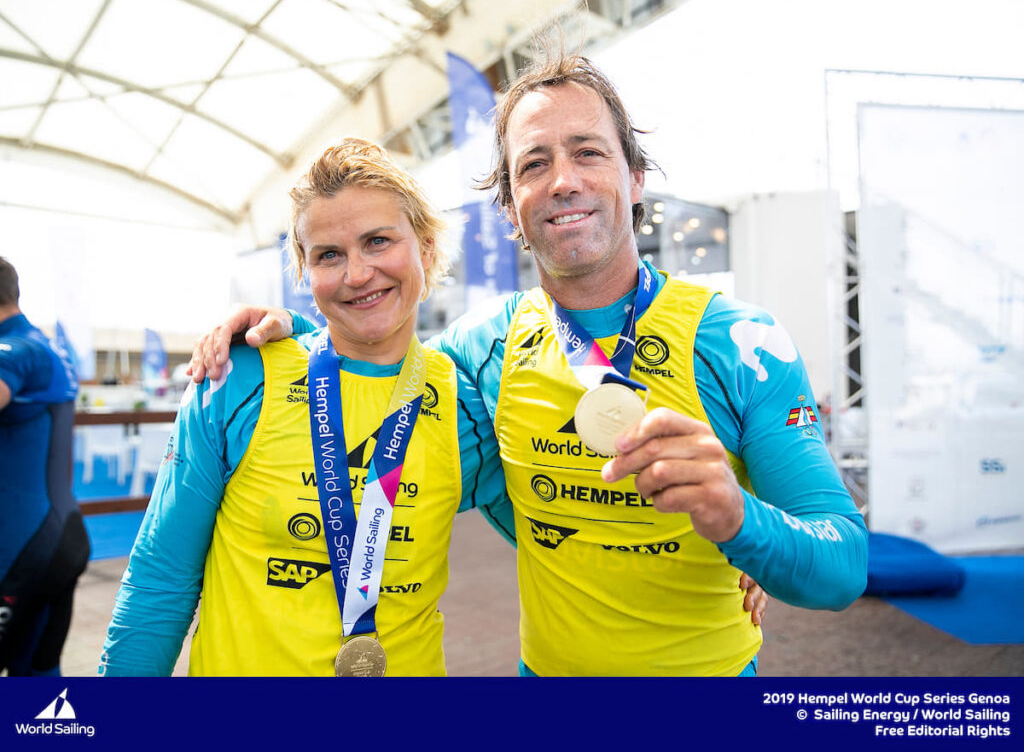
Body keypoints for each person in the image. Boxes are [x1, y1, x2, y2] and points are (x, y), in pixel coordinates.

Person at [195, 55, 855, 679]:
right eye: (534, 163)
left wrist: (744, 522)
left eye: (588, 151)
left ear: (635, 177)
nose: (562, 179)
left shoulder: (740, 341)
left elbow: (841, 565)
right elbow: (372, 366)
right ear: (511, 206)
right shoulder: (484, 348)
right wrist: (294, 332)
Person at [99, 139, 514, 676]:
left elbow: (568, 544)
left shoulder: (464, 404)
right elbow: (161, 576)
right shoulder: (238, 379)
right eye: (329, 255)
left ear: (427, 248)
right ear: (304, 271)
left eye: (378, 241)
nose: (357, 274)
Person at [0, 256, 90, 677]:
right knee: (36, 677)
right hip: (51, 537)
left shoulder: (18, 350)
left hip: (24, 550)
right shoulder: (40, 345)